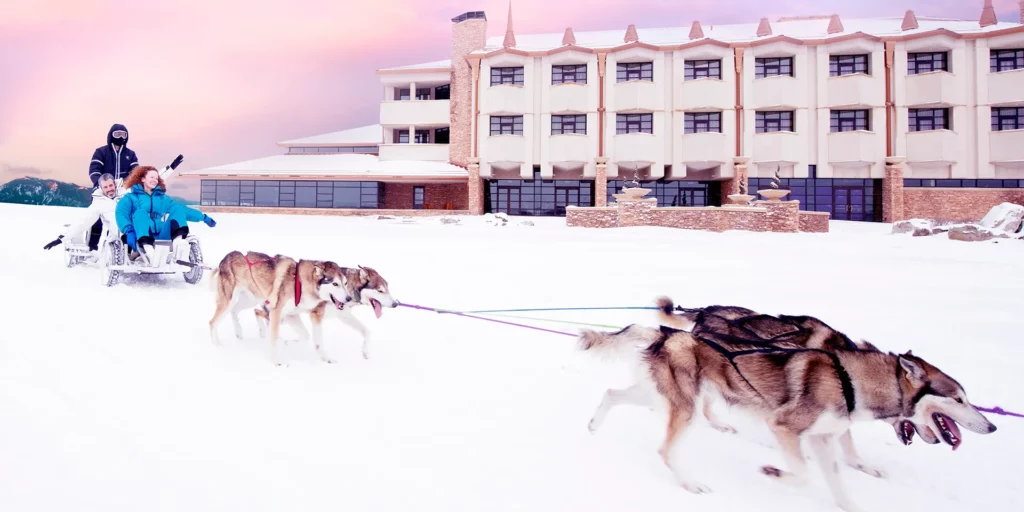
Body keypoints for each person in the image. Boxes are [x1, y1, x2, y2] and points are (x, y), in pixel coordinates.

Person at [116, 164, 216, 266]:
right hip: (140, 233)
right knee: (140, 213)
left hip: (161, 234)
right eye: (152, 177)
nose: (155, 180)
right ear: (142, 179)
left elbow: (182, 209)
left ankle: (178, 248)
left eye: (156, 178)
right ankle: (150, 253)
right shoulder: (130, 197)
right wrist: (128, 229)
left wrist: (203, 217)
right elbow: (121, 213)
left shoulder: (162, 198)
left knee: (177, 209)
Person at [86, 124, 140, 251]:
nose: (120, 137)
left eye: (123, 134)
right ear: (111, 135)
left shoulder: (130, 154)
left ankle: (121, 249)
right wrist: (99, 184)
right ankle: (92, 246)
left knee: (122, 219)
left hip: (121, 192)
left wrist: (127, 186)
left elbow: (135, 173)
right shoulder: (101, 152)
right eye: (117, 134)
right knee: (97, 219)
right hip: (103, 190)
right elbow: (94, 170)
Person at [42, 173, 120, 255]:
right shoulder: (99, 204)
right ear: (101, 188)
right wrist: (61, 239)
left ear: (115, 184)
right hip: (117, 235)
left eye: (110, 185)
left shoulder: (127, 194)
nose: (109, 189)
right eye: (105, 187)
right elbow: (83, 223)